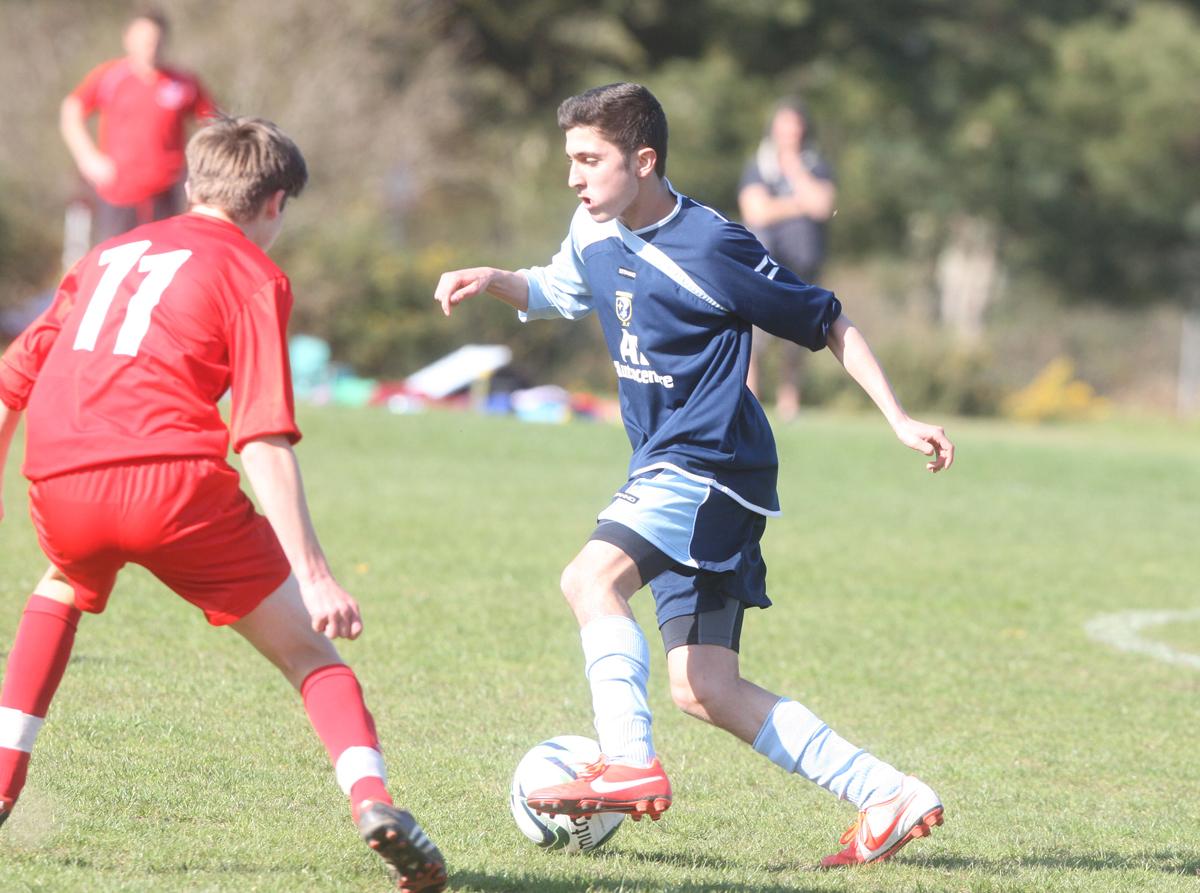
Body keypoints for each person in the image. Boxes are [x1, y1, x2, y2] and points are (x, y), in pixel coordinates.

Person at [434, 83, 953, 869]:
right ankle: (888, 792)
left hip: (709, 463)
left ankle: (628, 760)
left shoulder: (714, 246)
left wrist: (899, 417)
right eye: (569, 159)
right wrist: (492, 276)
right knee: (704, 686)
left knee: (589, 579)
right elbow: (555, 288)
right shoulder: (594, 229)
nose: (573, 177)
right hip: (674, 467)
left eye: (589, 159)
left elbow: (826, 318)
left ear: (643, 161)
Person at [0, 117, 445, 893]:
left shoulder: (106, 254)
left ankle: (3, 780)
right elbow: (263, 433)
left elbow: (13, 378)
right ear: (274, 203)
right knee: (311, 655)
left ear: (193, 184)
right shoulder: (252, 273)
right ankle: (374, 802)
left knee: (63, 583)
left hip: (58, 476)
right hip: (172, 485)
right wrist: (315, 573)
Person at [60, 8, 216, 247]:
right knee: (115, 260)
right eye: (143, 40)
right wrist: (89, 159)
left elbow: (213, 123)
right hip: (119, 192)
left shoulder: (182, 82)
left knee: (163, 258)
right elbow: (71, 110)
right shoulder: (110, 76)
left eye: (155, 41)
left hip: (168, 193)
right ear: (128, 39)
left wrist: (202, 172)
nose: (149, 47)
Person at [738, 98, 836, 421]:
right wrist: (799, 204)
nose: (789, 134)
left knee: (796, 341)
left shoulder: (815, 165)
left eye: (795, 127)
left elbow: (823, 206)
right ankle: (750, 396)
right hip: (763, 267)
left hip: (803, 265)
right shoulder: (758, 167)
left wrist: (794, 170)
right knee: (754, 338)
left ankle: (788, 400)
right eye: (783, 127)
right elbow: (755, 212)